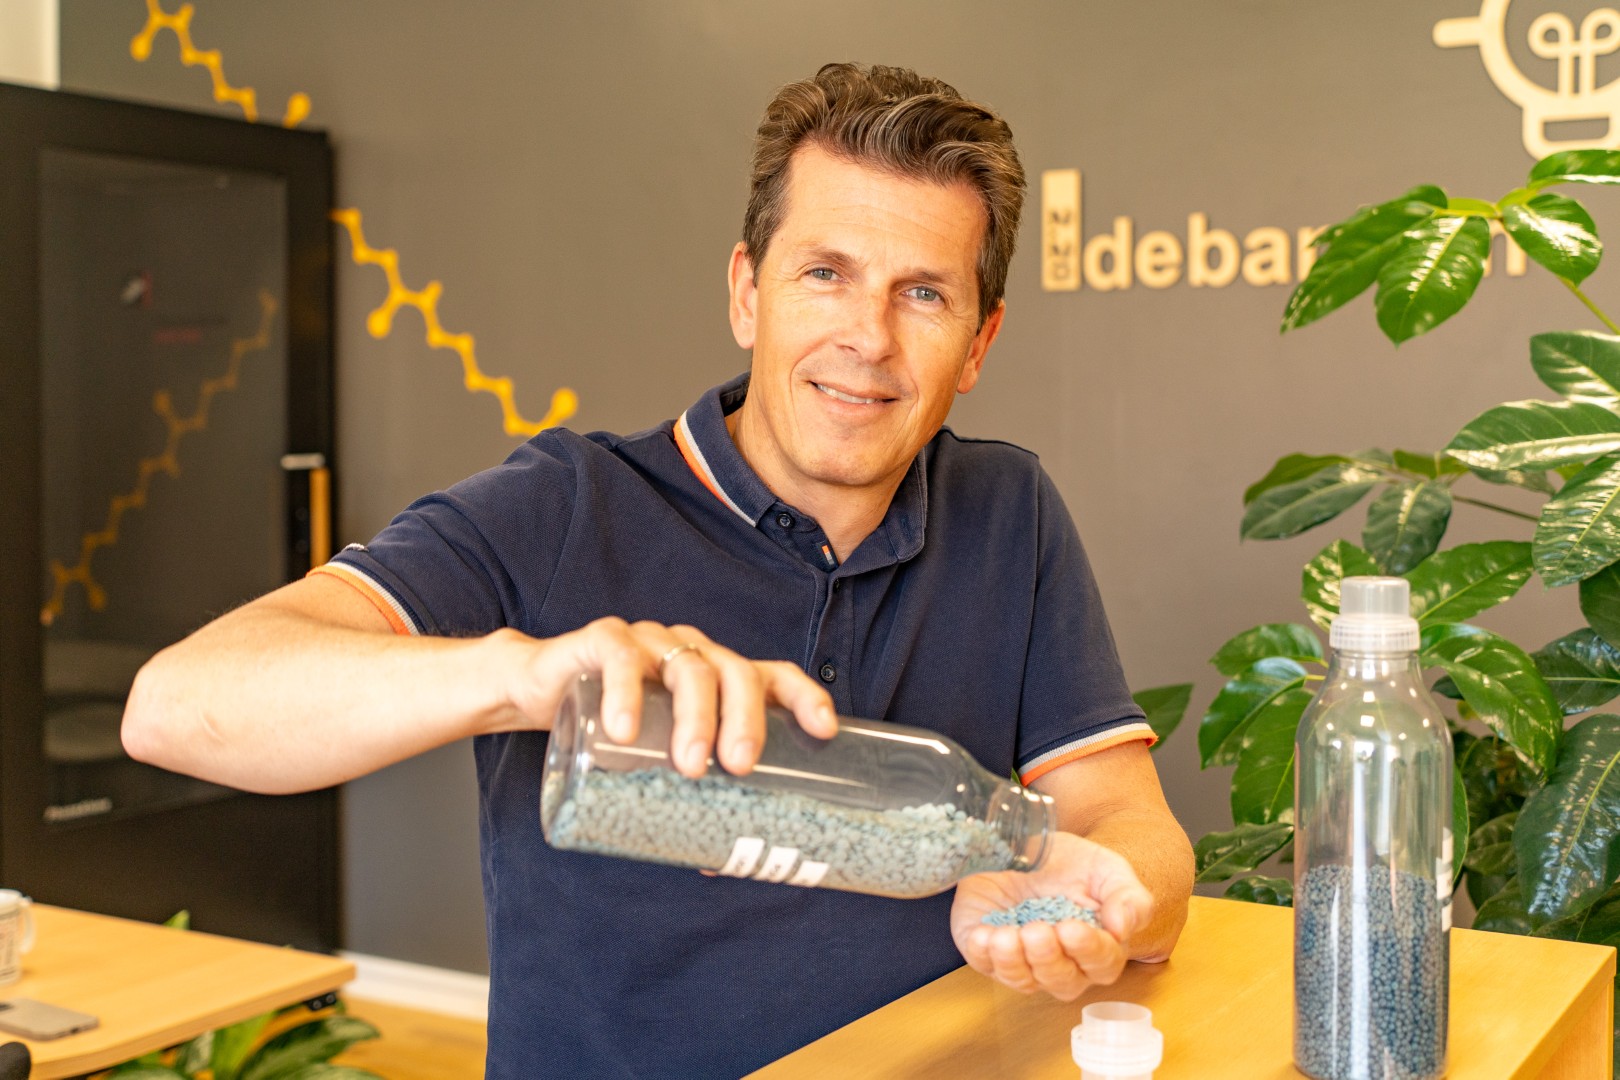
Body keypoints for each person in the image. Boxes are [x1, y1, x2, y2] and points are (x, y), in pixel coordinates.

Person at [123, 62, 1194, 1078]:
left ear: (979, 341)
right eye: (825, 274)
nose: (867, 336)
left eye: (922, 294)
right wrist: (526, 675)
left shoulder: (1007, 511)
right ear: (748, 293)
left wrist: (1109, 895)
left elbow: (1126, 821)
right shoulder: (565, 506)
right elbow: (175, 708)